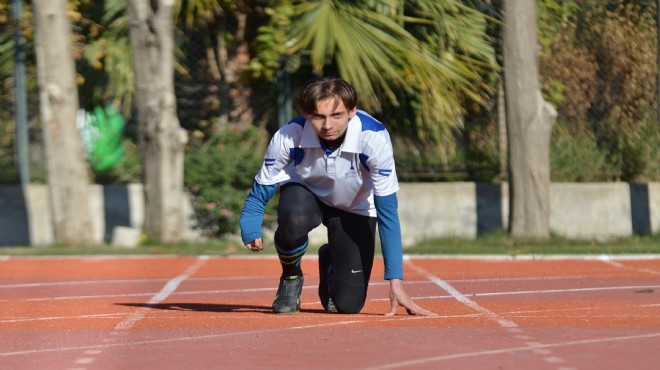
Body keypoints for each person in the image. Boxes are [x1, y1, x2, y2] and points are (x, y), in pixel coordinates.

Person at [239, 76, 436, 316]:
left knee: (348, 305)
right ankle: (291, 276)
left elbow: (387, 213)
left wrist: (396, 282)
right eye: (318, 116)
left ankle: (330, 259)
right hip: (306, 193)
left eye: (337, 115)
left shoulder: (373, 138)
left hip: (355, 207)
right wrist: (250, 226)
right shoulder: (289, 135)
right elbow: (261, 190)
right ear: (306, 113)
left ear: (352, 111)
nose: (327, 125)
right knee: (294, 219)